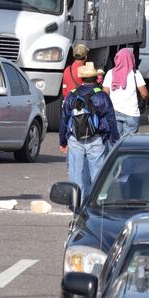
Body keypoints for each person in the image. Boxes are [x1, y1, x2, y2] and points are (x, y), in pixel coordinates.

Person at [60, 62, 119, 200]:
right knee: (97, 174)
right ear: (96, 78)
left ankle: (76, 203)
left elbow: (64, 119)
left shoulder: (72, 95)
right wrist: (114, 140)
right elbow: (111, 120)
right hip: (96, 139)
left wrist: (63, 141)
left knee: (76, 174)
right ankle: (97, 204)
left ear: (81, 79)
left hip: (75, 139)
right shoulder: (102, 96)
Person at [103, 48, 148, 137]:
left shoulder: (110, 73)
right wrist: (144, 103)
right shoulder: (136, 74)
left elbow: (105, 93)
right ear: (131, 59)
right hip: (131, 113)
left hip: (114, 111)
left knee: (115, 142)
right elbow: (145, 94)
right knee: (128, 143)